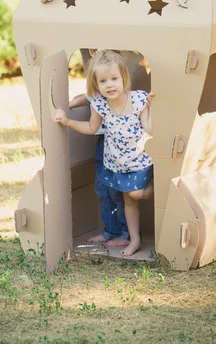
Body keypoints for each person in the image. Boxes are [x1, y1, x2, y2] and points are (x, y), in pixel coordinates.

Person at [56, 50, 154, 257]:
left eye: (114, 79)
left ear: (123, 78)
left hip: (139, 161)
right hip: (116, 163)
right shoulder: (99, 105)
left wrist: (153, 109)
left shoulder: (138, 100)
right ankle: (134, 240)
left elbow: (149, 128)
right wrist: (68, 122)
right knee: (128, 200)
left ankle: (160, 188)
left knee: (135, 194)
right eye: (103, 81)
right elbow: (91, 128)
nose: (109, 84)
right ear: (95, 85)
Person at [69, 81, 130, 248]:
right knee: (103, 189)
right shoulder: (98, 86)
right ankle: (110, 231)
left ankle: (126, 233)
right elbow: (88, 97)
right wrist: (70, 104)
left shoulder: (115, 84)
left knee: (118, 192)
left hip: (118, 142)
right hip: (102, 142)